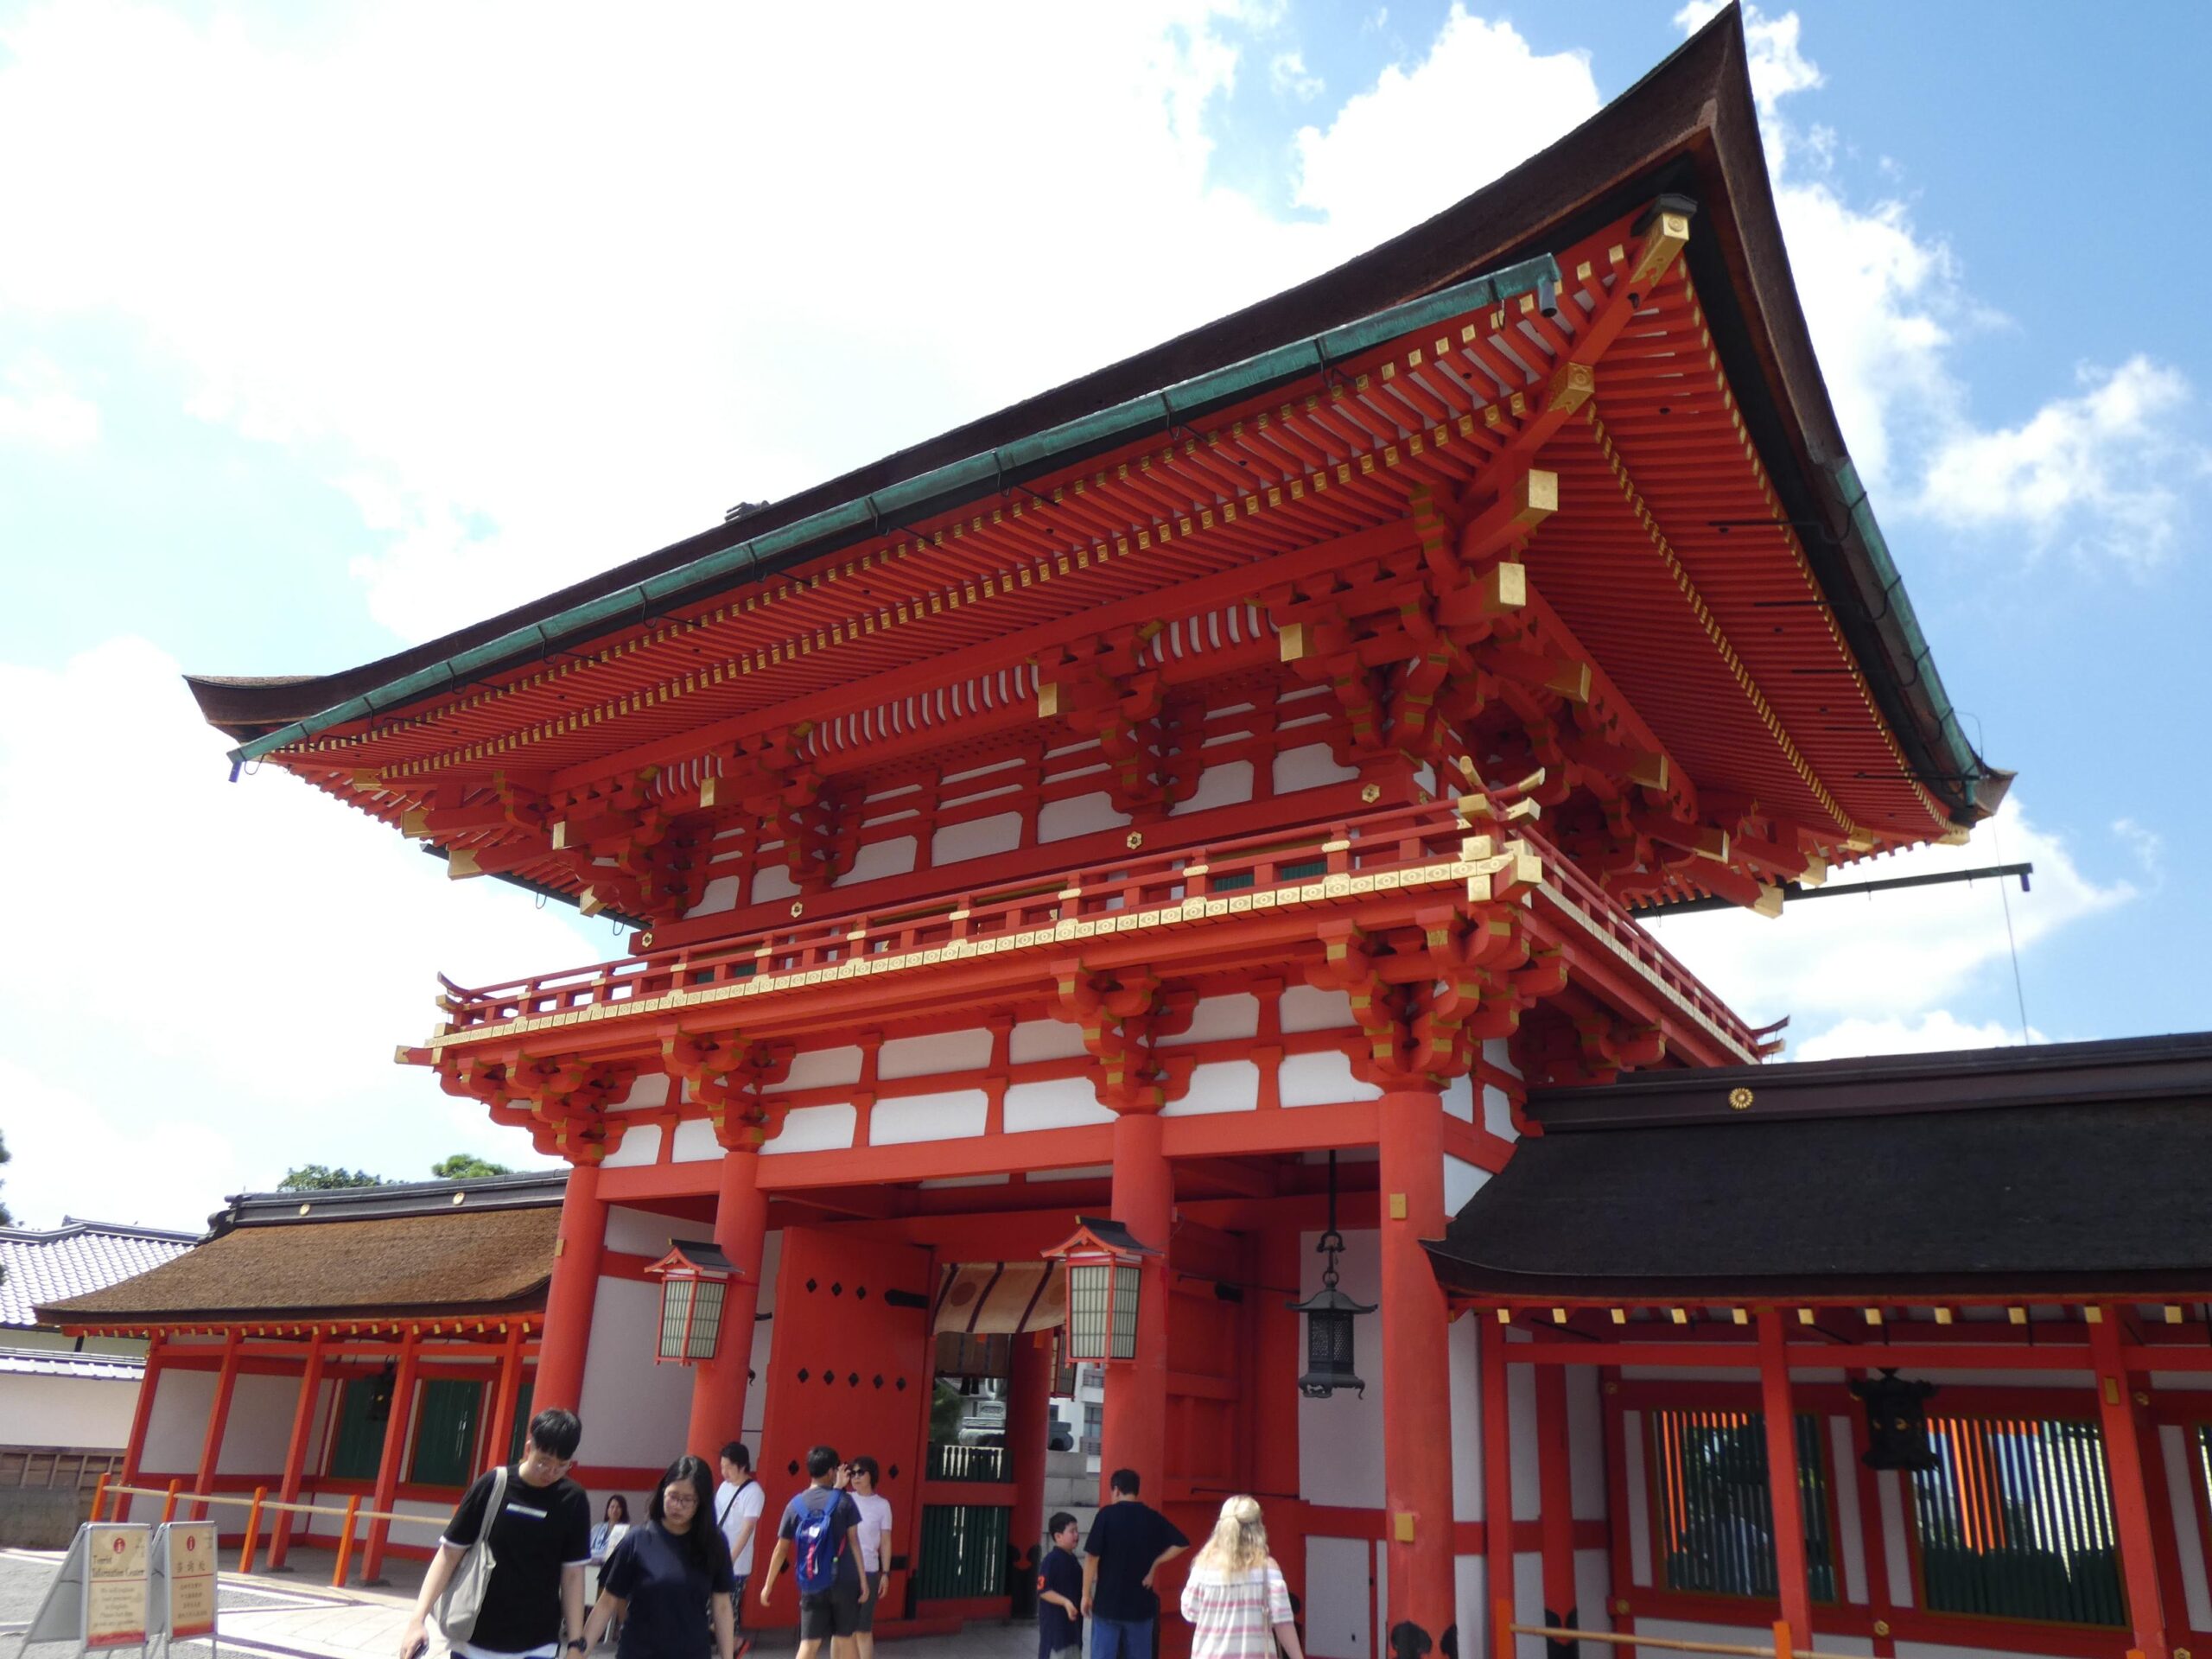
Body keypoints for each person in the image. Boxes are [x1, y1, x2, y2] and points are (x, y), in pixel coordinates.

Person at [400, 1408, 592, 1659]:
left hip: (537, 1642)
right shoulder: (493, 1485)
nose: (550, 1472)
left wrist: (576, 1644)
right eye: (544, 1461)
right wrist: (417, 1619)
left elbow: (573, 1575)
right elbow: (449, 1554)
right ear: (529, 1448)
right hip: (474, 1637)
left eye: (561, 1466)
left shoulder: (573, 1500)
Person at [582, 1456, 735, 1659]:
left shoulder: (714, 1543)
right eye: (673, 1496)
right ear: (663, 1491)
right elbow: (607, 1602)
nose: (677, 1506)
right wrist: (578, 1653)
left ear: (701, 1502)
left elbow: (722, 1606)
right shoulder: (637, 1539)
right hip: (639, 1652)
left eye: (687, 1500)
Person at [758, 1446, 869, 1659]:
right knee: (845, 1638)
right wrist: (863, 1581)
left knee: (809, 1643)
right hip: (844, 1579)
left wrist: (768, 1585)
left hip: (812, 1578)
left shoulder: (795, 1505)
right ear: (831, 1471)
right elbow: (854, 1542)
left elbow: (781, 1549)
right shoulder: (844, 1501)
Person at [1179, 1496, 1304, 1659]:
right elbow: (1282, 1623)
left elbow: (1190, 1612)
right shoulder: (1268, 1569)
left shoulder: (1203, 1568)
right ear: (1258, 1528)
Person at [1083, 1468, 1189, 1659]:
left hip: (1108, 1603)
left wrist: (1085, 1595)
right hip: (1141, 1605)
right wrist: (1155, 1564)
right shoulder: (1151, 1517)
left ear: (1116, 1490)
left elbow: (1092, 1557)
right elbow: (1182, 1543)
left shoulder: (1106, 1515)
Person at [715, 1443, 766, 1658]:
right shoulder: (723, 1487)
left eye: (729, 1467)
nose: (724, 1472)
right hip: (715, 1557)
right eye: (722, 1467)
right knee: (712, 1607)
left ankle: (734, 1644)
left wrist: (730, 1559)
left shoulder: (753, 1492)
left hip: (736, 1564)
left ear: (742, 1465)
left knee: (729, 1607)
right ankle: (730, 1644)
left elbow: (747, 1529)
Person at [847, 1457, 893, 1659]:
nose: (855, 1477)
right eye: (853, 1473)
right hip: (845, 1570)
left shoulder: (882, 1505)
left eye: (860, 1472)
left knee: (863, 1629)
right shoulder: (845, 1498)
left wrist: (886, 1573)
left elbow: (886, 1541)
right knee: (843, 1630)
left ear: (871, 1475)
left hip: (869, 1569)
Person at [1036, 1511, 1084, 1659]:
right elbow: (1043, 1590)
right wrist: (1065, 1602)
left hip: (1073, 1631)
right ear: (1058, 1536)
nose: (1076, 1535)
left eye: (1077, 1530)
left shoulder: (1073, 1560)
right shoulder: (1051, 1561)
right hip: (1056, 1634)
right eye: (1072, 1531)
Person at [588, 1496, 632, 1648]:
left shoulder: (626, 1531)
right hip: (593, 1568)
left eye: (618, 1507)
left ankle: (619, 1629)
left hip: (613, 1572)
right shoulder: (598, 1528)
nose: (614, 1510)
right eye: (612, 1507)